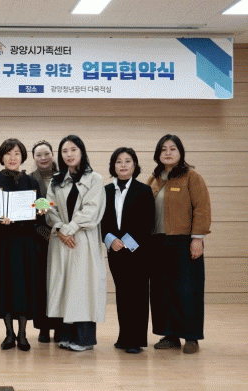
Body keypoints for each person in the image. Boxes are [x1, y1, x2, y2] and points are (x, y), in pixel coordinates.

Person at [147, 134, 211, 354]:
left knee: (187, 290)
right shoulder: (154, 179)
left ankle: (191, 337)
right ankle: (170, 335)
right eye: (163, 149)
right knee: (162, 290)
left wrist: (197, 238)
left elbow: (202, 208)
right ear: (158, 154)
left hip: (183, 241)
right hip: (157, 242)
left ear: (180, 152)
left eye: (172, 148)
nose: (168, 153)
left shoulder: (192, 177)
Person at [46, 135, 106, 352]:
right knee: (63, 287)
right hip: (61, 240)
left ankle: (84, 339)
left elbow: (92, 209)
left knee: (83, 288)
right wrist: (60, 228)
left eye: (73, 150)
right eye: (64, 151)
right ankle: (66, 335)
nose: (69, 154)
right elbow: (49, 209)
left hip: (82, 240)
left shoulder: (95, 179)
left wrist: (69, 229)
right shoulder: (56, 180)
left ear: (82, 152)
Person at [0, 138, 40, 352]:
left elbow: (38, 215)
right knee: (4, 286)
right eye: (8, 153)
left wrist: (24, 219)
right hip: (2, 242)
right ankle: (9, 334)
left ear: (22, 156)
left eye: (16, 153)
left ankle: (23, 334)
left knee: (23, 287)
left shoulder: (31, 182)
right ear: (2, 157)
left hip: (25, 242)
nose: (12, 157)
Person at [101, 147, 155, 354]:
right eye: (118, 161)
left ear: (135, 165)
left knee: (138, 295)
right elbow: (101, 220)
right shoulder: (105, 190)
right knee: (123, 293)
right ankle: (124, 336)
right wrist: (110, 239)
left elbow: (147, 221)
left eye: (127, 161)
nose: (123, 165)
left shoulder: (144, 190)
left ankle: (136, 340)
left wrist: (125, 241)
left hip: (137, 251)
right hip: (114, 251)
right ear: (113, 166)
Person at [29, 140, 62, 344]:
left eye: (46, 153)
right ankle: (43, 327)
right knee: (41, 285)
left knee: (59, 283)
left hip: (62, 237)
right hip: (38, 240)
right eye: (39, 155)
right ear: (33, 158)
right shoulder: (29, 180)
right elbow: (26, 211)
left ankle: (59, 327)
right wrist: (43, 232)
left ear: (53, 154)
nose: (43, 158)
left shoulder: (63, 177)